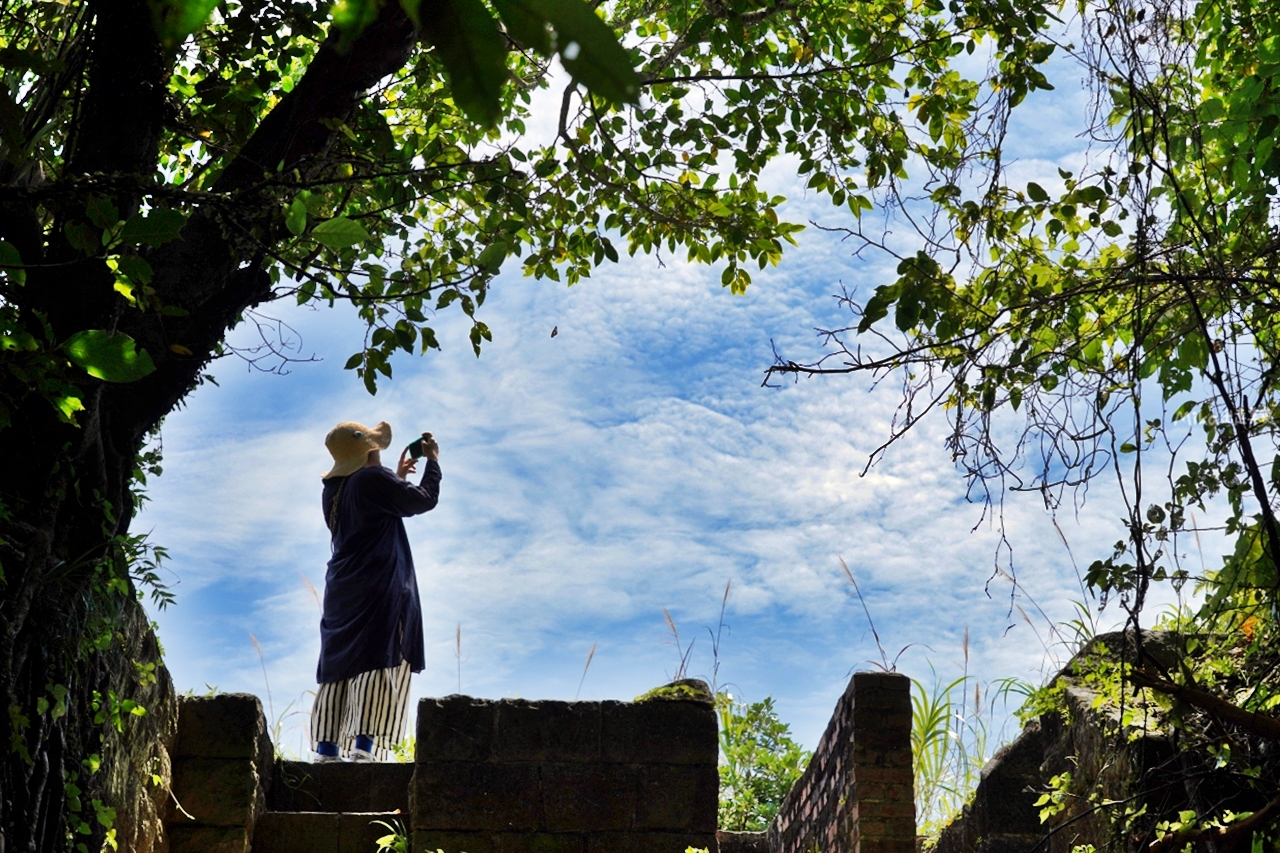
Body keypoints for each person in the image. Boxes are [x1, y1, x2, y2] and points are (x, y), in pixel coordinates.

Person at [310, 420, 441, 762]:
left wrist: (395, 477)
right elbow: (423, 501)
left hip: (342, 588)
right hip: (379, 584)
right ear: (369, 450)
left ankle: (327, 750)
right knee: (377, 657)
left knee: (339, 664)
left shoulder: (333, 491)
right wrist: (433, 463)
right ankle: (364, 749)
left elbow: (374, 508)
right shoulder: (372, 479)